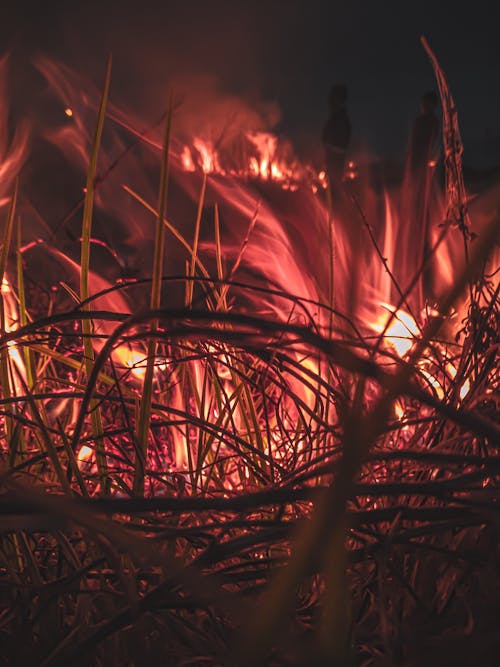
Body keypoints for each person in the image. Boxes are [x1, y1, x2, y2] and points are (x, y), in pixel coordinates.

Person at [322, 84, 351, 193]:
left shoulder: (341, 119)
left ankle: (336, 207)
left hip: (335, 162)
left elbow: (341, 144)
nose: (329, 102)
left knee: (334, 190)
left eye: (332, 98)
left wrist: (330, 151)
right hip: (332, 160)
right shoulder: (335, 118)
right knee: (332, 188)